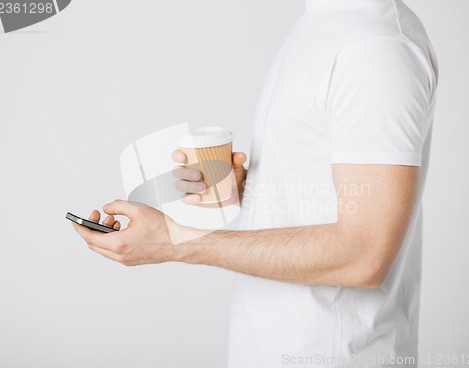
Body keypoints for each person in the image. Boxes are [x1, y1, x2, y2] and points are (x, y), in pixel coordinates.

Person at [72, 0, 438, 366]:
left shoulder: (374, 49)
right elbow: (330, 195)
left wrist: (177, 242)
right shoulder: (323, 21)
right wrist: (252, 191)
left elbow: (364, 255)